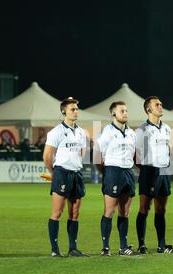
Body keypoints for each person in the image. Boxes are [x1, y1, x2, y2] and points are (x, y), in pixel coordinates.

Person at [135, 96, 173, 254]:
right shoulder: (142, 130)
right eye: (157, 105)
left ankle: (162, 244)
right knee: (144, 209)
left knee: (161, 209)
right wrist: (145, 170)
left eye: (161, 104)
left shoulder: (167, 128)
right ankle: (141, 244)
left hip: (164, 172)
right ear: (149, 110)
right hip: (149, 171)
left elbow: (168, 148)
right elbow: (136, 153)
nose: (161, 106)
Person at [43, 97, 88, 257]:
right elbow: (47, 156)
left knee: (75, 213)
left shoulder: (81, 132)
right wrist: (55, 172)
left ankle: (72, 248)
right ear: (64, 112)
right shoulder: (56, 132)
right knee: (57, 212)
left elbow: (82, 153)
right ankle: (55, 250)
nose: (76, 112)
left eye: (77, 109)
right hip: (62, 173)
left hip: (76, 174)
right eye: (72, 109)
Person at [95, 101, 138, 256]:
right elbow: (97, 154)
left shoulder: (132, 133)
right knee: (109, 210)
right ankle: (105, 248)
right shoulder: (107, 131)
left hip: (128, 172)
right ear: (114, 113)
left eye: (126, 110)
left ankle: (123, 247)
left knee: (125, 212)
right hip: (113, 171)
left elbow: (134, 155)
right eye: (122, 111)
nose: (125, 113)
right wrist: (105, 172)